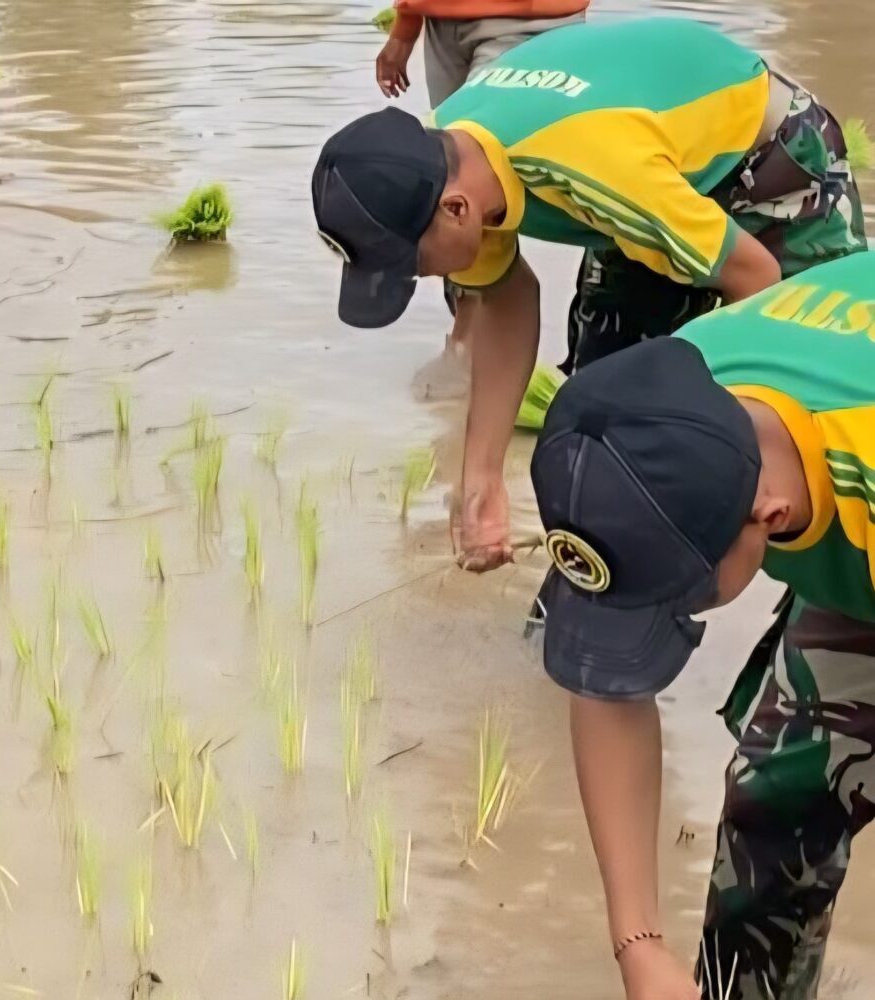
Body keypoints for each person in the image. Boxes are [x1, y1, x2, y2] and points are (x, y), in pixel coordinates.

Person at [312, 17, 866, 573]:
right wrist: (481, 482)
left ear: (456, 212)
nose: (422, 276)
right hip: (646, 169)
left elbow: (756, 282)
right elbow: (504, 301)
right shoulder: (445, 163)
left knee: (807, 400)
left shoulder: (594, 169)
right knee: (601, 411)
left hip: (765, 154)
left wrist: (709, 450)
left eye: (414, 264)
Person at [531, 251, 875, 1000]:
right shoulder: (661, 407)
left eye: (672, 599)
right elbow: (608, 688)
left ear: (770, 517)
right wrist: (639, 944)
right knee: (779, 797)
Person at [376, 0, 587, 107]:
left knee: (490, 136)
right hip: (443, 19)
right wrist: (403, 31)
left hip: (523, 22)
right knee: (448, 135)